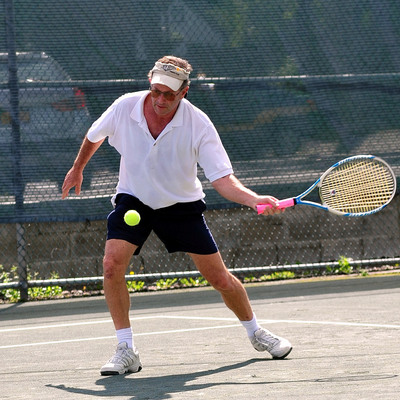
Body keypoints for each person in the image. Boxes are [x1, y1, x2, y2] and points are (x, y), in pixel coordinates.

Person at [62, 55, 292, 376]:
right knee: (112, 265)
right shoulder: (124, 106)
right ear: (150, 83)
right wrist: (77, 169)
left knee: (219, 278)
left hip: (181, 205)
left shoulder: (199, 124)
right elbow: (94, 134)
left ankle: (256, 332)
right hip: (134, 200)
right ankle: (126, 350)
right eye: (156, 90)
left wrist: (253, 199)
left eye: (169, 94)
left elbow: (222, 179)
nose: (160, 99)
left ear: (184, 92)